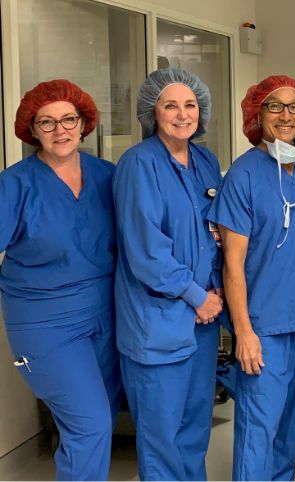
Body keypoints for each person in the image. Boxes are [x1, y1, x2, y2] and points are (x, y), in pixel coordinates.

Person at [208, 75, 295, 481]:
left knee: (289, 428)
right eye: (274, 106)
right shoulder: (243, 175)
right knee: (258, 430)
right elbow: (233, 263)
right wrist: (244, 332)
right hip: (263, 325)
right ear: (257, 113)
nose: (286, 115)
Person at [0, 80, 121, 480]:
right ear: (31, 130)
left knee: (94, 421)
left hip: (106, 314)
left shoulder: (108, 175)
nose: (60, 130)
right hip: (45, 322)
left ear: (84, 123)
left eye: (68, 119)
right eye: (46, 122)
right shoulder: (14, 184)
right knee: (91, 424)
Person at [113, 68, 223, 480]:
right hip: (156, 324)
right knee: (161, 437)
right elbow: (146, 253)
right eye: (170, 105)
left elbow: (216, 232)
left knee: (195, 429)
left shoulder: (206, 161)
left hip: (204, 321)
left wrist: (215, 292)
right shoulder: (139, 165)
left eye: (190, 105)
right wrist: (198, 297)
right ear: (151, 112)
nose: (182, 114)